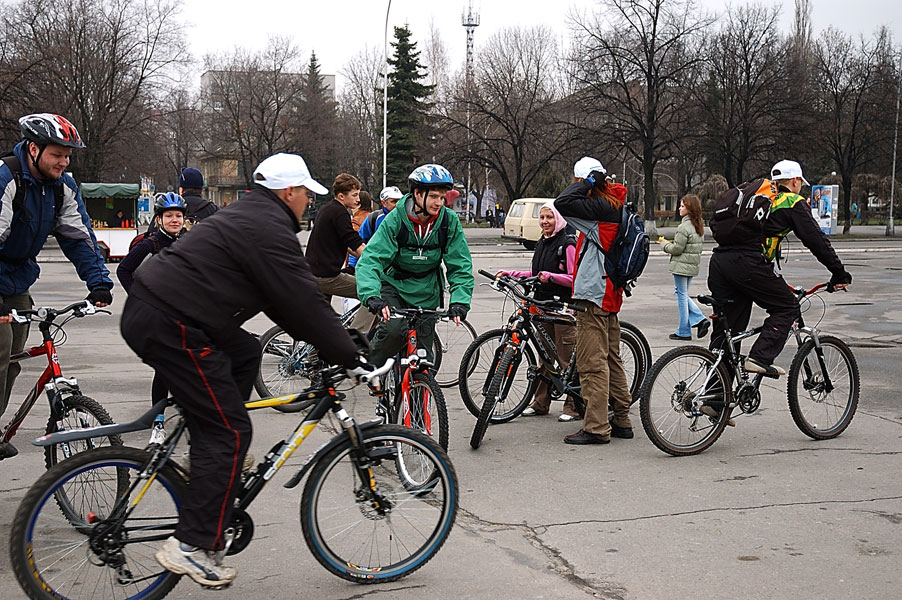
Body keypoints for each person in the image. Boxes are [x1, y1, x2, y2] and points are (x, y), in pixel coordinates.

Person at [120, 152, 373, 588]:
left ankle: (204, 450)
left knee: (244, 352)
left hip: (166, 312)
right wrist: (349, 356)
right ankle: (193, 545)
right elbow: (303, 299)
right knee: (231, 431)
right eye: (304, 195)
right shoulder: (267, 228)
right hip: (172, 322)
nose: (307, 204)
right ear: (288, 192)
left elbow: (286, 303)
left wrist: (340, 343)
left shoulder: (251, 216)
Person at [0, 114, 113, 459]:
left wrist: (98, 283)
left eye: (68, 155)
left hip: (17, 279)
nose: (64, 162)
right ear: (34, 149)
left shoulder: (61, 186)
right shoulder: (7, 178)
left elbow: (78, 236)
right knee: (0, 348)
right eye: (57, 154)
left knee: (14, 358)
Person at [708, 159, 852, 377]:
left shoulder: (754, 197)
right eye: (800, 183)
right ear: (795, 181)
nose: (800, 187)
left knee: (727, 333)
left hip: (720, 263)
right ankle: (759, 357)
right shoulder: (791, 201)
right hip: (747, 264)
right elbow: (816, 240)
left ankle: (715, 399)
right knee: (788, 307)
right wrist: (839, 273)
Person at [356, 164, 474, 369]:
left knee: (423, 359)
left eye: (442, 197)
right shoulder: (395, 219)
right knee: (393, 331)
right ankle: (370, 371)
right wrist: (372, 296)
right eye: (434, 196)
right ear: (417, 194)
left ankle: (420, 394)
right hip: (394, 286)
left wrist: (460, 301)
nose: (440, 203)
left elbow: (460, 265)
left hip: (427, 290)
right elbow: (371, 259)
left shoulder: (449, 221)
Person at [553, 156, 633, 445]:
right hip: (609, 292)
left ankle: (597, 427)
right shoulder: (613, 202)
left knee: (592, 363)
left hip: (594, 295)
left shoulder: (599, 207)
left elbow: (561, 202)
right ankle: (622, 419)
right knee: (612, 358)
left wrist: (586, 183)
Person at [497, 201, 579, 421]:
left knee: (566, 358)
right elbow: (535, 273)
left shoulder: (567, 243)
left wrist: (551, 277)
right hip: (542, 307)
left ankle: (573, 407)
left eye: (549, 218)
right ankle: (540, 403)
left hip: (563, 309)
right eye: (542, 218)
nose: (545, 222)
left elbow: (575, 278)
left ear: (558, 219)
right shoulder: (542, 242)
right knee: (545, 357)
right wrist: (512, 274)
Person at [305, 173, 373, 333]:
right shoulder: (340, 213)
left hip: (313, 273)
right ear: (342, 196)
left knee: (324, 323)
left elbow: (346, 243)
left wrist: (363, 255)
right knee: (373, 294)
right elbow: (354, 243)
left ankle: (316, 356)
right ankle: (355, 341)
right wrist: (376, 262)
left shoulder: (328, 209)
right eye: (355, 195)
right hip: (327, 276)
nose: (358, 199)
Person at [659, 194, 709, 341]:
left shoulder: (683, 227)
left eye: (682, 206)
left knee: (681, 295)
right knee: (683, 293)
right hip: (692, 265)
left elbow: (677, 249)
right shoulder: (698, 226)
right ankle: (687, 327)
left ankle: (691, 325)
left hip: (681, 266)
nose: (679, 208)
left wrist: (664, 244)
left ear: (689, 209)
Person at [145, 168, 217, 234]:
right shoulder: (213, 210)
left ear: (181, 189)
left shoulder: (166, 209)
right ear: (201, 190)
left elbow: (151, 234)